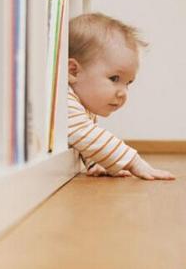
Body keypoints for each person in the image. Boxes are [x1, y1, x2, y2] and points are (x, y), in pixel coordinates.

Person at [68, 13, 175, 180]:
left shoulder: (82, 105)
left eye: (128, 83)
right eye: (114, 79)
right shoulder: (64, 102)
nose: (123, 92)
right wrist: (133, 162)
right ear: (73, 71)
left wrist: (95, 162)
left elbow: (83, 139)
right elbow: (83, 132)